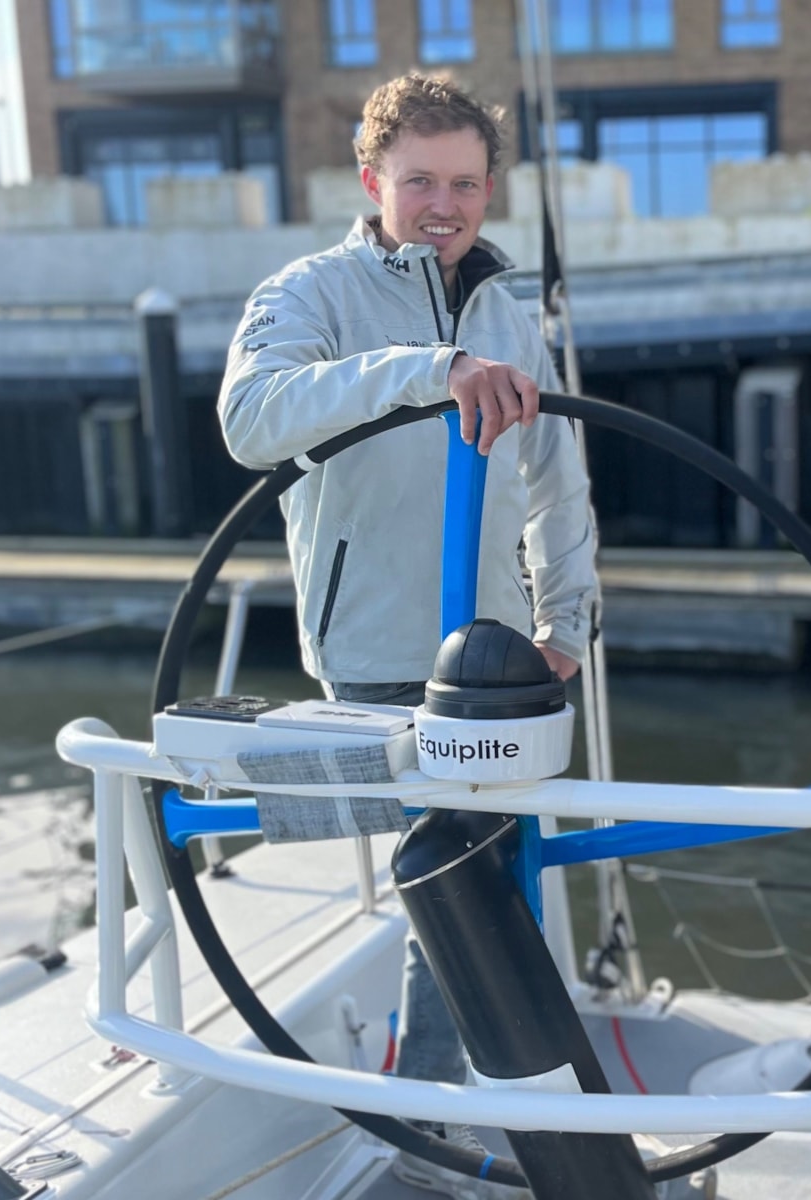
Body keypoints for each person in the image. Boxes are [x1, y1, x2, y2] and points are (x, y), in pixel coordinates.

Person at [217, 72, 597, 1198]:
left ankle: (450, 1118)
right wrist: (432, 372)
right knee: (457, 887)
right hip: (377, 654)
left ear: (490, 190)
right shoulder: (308, 293)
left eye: (465, 184)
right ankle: (440, 1125)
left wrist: (564, 622)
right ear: (372, 179)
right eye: (420, 181)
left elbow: (557, 477)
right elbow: (250, 419)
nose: (444, 205)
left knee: (478, 884)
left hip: (494, 659)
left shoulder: (507, 311)